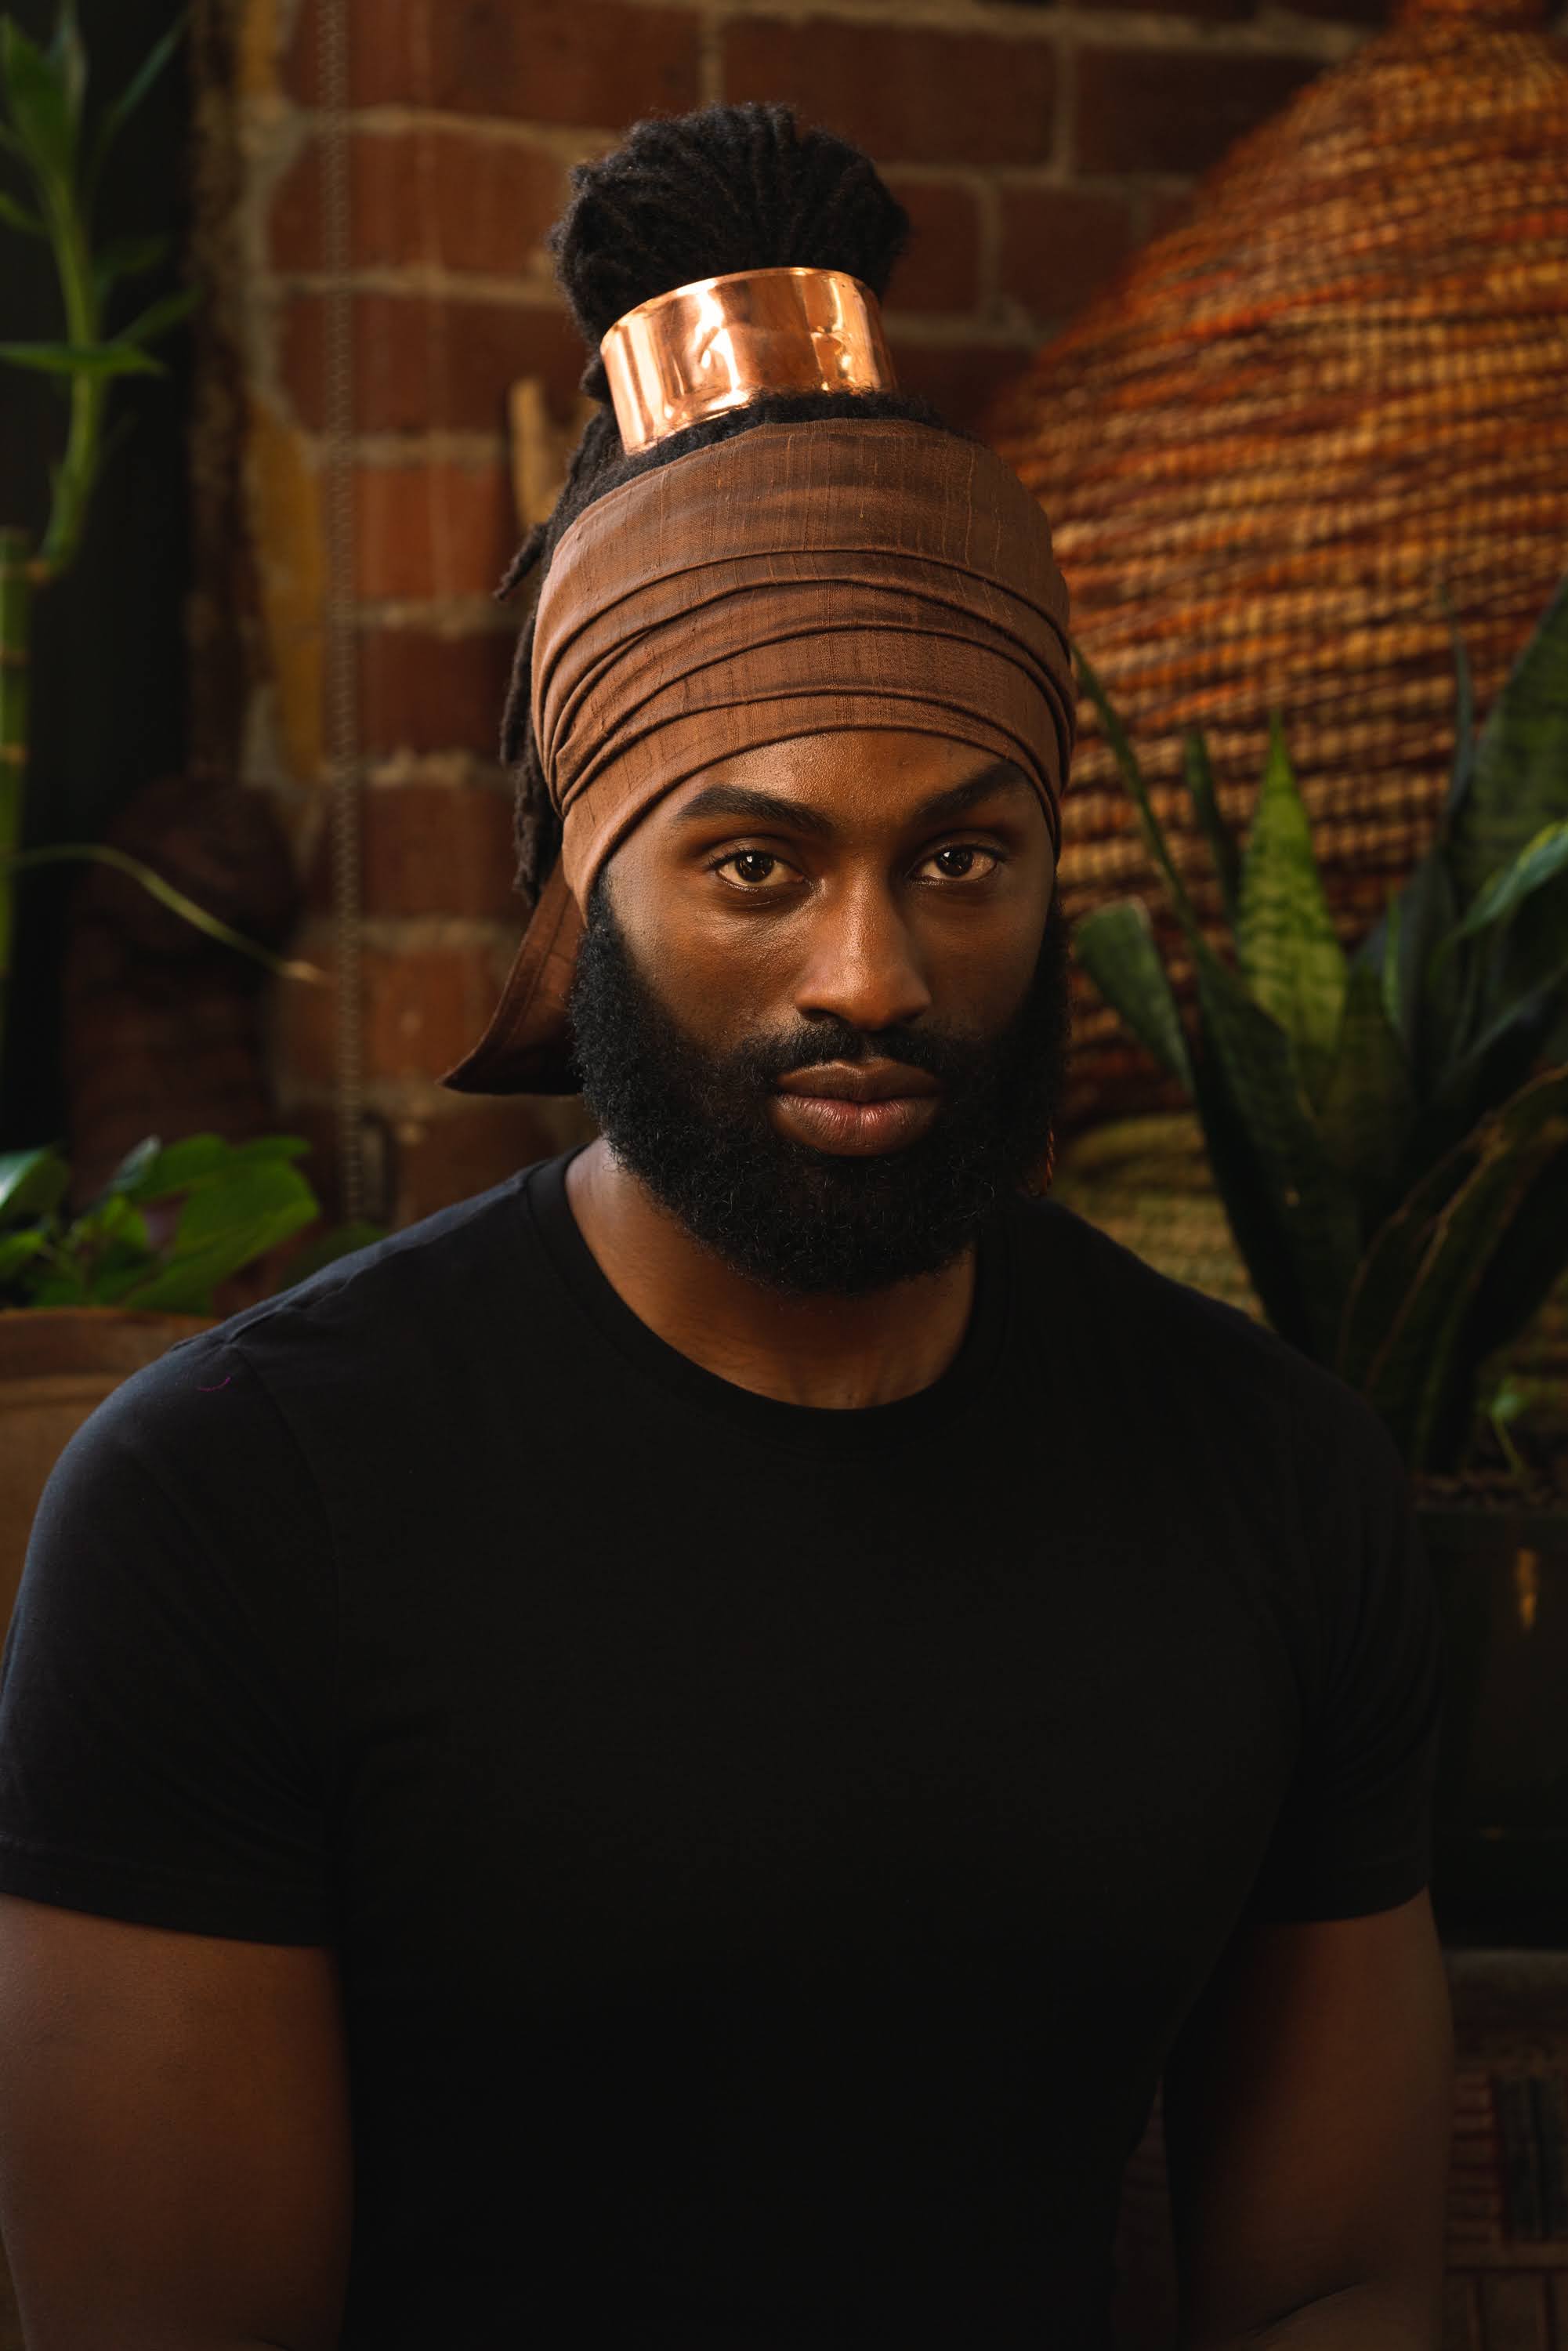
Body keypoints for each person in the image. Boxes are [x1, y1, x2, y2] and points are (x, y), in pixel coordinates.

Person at [0, 103, 1451, 2351]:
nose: (869, 971)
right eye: (756, 864)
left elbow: (1341, 2275)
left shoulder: (1274, 1488)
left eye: (959, 860)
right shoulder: (226, 1515)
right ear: (583, 881)